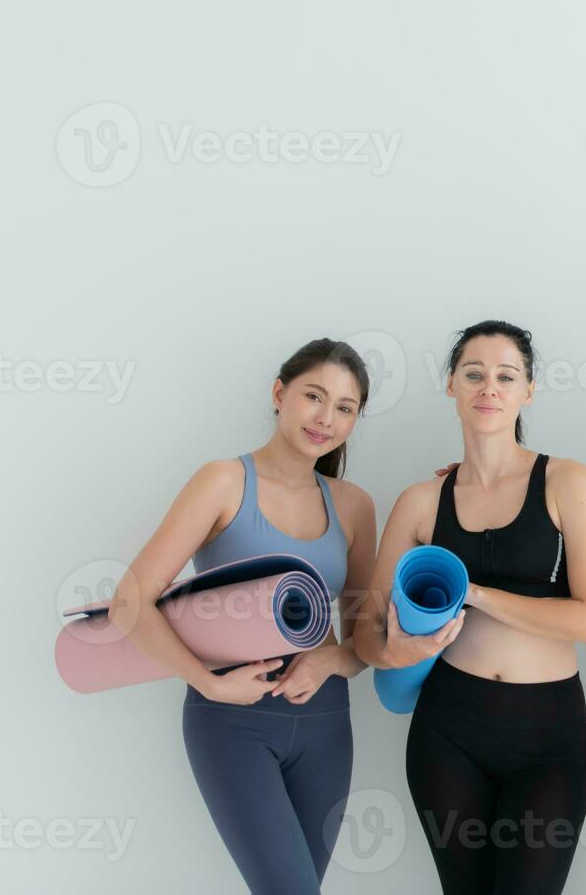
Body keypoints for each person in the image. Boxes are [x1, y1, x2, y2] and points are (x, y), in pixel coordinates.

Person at [108, 339, 379, 895]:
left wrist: (331, 659)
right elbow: (130, 600)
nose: (327, 418)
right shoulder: (224, 482)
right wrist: (207, 682)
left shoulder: (354, 505)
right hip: (232, 721)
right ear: (280, 394)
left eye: (345, 408)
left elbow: (366, 640)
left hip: (326, 722)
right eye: (314, 396)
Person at [354, 320, 586, 895]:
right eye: (474, 373)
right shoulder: (421, 502)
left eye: (506, 375)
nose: (488, 387)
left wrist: (474, 593)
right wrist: (395, 649)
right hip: (449, 730)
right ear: (451, 385)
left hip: (548, 735)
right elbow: (365, 631)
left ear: (528, 390)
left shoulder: (567, 481)